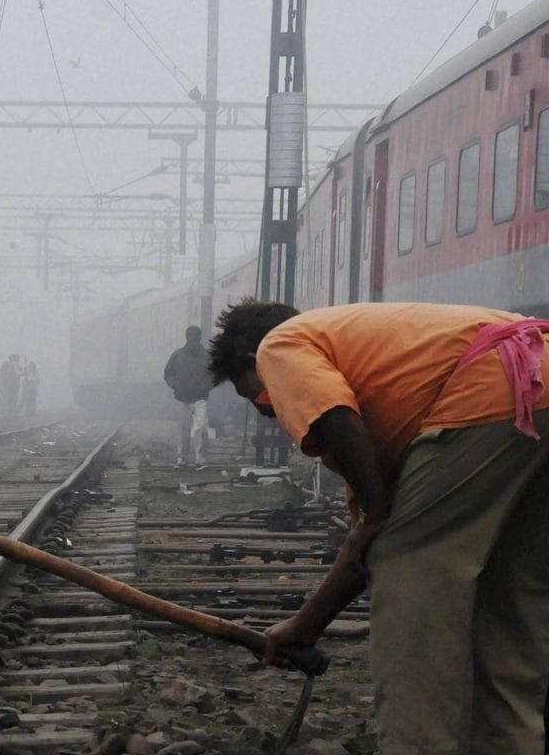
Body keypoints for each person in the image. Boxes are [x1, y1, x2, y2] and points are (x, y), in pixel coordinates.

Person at [207, 299, 549, 755]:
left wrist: (377, 513)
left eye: (253, 395)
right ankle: (512, 743)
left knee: (413, 576)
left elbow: (333, 416)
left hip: (493, 389)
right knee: (508, 588)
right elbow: (363, 552)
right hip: (536, 379)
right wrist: (307, 626)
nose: (265, 410)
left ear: (251, 362)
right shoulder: (382, 373)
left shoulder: (278, 346)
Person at [163, 325, 213, 467]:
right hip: (185, 397)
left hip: (196, 397)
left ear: (198, 338)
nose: (193, 340)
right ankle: (185, 457)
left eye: (195, 337)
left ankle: (197, 457)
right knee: (186, 428)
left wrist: (176, 385)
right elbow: (168, 374)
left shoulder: (181, 355)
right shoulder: (180, 355)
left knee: (198, 428)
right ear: (187, 337)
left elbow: (213, 375)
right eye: (191, 337)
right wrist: (175, 385)